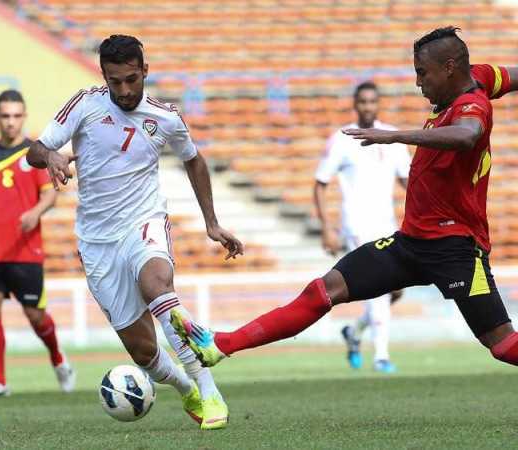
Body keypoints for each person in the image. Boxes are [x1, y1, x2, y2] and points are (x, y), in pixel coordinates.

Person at [172, 27, 518, 377]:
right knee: (324, 290)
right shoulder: (479, 76)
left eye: (422, 73)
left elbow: (467, 134)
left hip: (455, 250)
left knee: (503, 345)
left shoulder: (472, 105)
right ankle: (221, 345)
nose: (418, 83)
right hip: (412, 243)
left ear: (448, 67)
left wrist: (395, 136)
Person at [27, 34, 243, 430]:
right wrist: (52, 155)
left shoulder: (166, 117)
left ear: (145, 71)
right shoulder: (85, 105)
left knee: (157, 286)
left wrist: (211, 222)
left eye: (131, 79)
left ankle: (209, 390)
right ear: (103, 75)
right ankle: (185, 388)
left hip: (144, 221)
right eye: (115, 81)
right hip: (96, 241)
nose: (124, 90)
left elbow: (194, 161)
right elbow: (33, 150)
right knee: (143, 351)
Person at [0, 90, 74, 399]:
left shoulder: (34, 154)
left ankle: (58, 359)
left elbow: (50, 193)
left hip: (26, 251)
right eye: (5, 115)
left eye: (16, 115)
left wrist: (35, 213)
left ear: (24, 117)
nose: (11, 121)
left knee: (36, 316)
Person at [313, 81, 410, 373]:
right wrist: (327, 227)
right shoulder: (343, 139)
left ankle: (354, 333)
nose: (367, 106)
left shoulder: (392, 138)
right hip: (355, 224)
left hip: (387, 224)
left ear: (378, 104)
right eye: (363, 101)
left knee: (395, 291)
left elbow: (409, 183)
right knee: (379, 290)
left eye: (372, 101)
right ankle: (381, 356)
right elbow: (320, 184)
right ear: (355, 104)